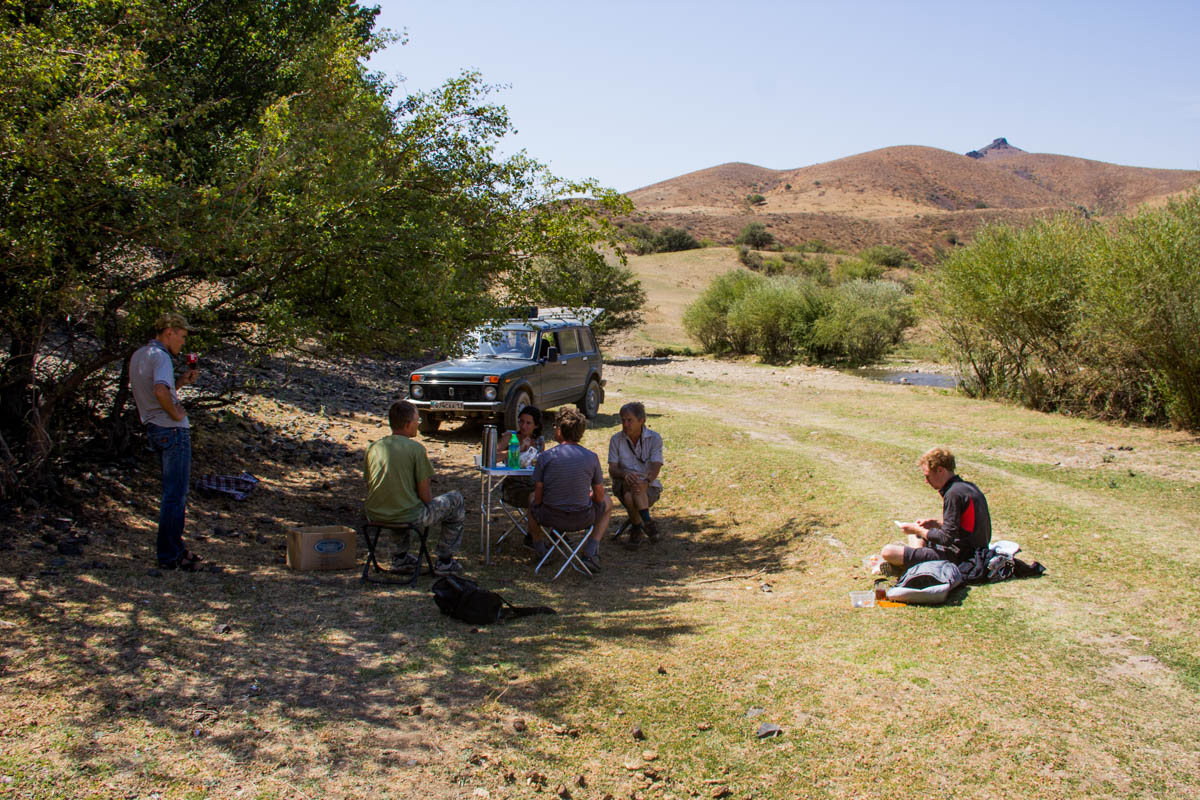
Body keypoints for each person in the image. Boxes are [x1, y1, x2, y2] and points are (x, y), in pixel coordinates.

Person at [130, 312, 200, 570]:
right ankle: (169, 553)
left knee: (172, 494)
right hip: (171, 429)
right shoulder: (160, 357)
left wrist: (180, 382)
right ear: (168, 332)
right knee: (176, 495)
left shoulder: (140, 355)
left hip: (153, 425)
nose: (182, 343)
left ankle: (175, 548)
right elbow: (160, 391)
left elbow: (157, 391)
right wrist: (176, 413)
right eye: (181, 337)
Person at [365, 400, 467, 576]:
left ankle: (400, 557)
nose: (418, 425)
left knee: (400, 500)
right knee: (456, 499)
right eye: (417, 421)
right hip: (407, 515)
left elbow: (370, 484)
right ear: (407, 424)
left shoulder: (373, 448)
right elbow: (425, 495)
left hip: (376, 513)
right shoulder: (416, 449)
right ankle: (445, 560)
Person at [527, 407, 612, 573]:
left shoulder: (545, 457)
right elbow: (600, 496)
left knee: (530, 500)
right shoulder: (591, 457)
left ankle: (540, 550)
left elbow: (538, 498)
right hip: (583, 517)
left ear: (559, 430)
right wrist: (586, 495)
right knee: (608, 502)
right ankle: (590, 551)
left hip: (550, 516)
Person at [880, 447, 991, 570]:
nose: (926, 481)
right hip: (977, 548)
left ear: (940, 470)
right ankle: (916, 560)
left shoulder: (953, 494)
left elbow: (946, 538)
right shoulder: (968, 487)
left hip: (962, 556)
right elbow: (965, 527)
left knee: (888, 551)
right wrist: (935, 523)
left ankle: (915, 564)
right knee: (917, 532)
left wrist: (917, 530)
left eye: (928, 476)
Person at [607, 401, 664, 548]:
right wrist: (625, 474)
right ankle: (648, 523)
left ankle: (637, 528)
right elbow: (612, 469)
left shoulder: (654, 438)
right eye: (623, 420)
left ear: (642, 421)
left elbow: (656, 464)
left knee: (630, 495)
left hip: (646, 484)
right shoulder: (616, 439)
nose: (625, 424)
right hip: (623, 482)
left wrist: (647, 482)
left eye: (629, 420)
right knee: (632, 485)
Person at [496, 406, 545, 509]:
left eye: (528, 423)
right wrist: (517, 450)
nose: (523, 426)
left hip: (534, 485)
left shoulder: (539, 441)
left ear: (536, 425)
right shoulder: (510, 437)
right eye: (521, 421)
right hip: (513, 486)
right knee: (536, 498)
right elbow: (494, 457)